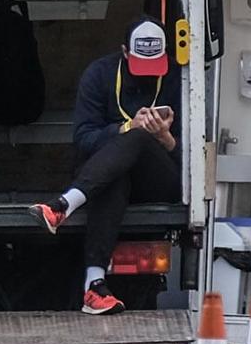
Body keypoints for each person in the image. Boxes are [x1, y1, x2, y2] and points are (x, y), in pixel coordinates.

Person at [29, 24, 183, 315]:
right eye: (141, 63)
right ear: (125, 53)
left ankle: (64, 204)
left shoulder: (176, 76)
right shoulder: (100, 74)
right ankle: (95, 285)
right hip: (109, 179)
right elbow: (83, 140)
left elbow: (191, 156)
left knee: (138, 138)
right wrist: (125, 127)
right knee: (117, 172)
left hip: (161, 180)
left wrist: (164, 137)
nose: (149, 72)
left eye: (156, 63)